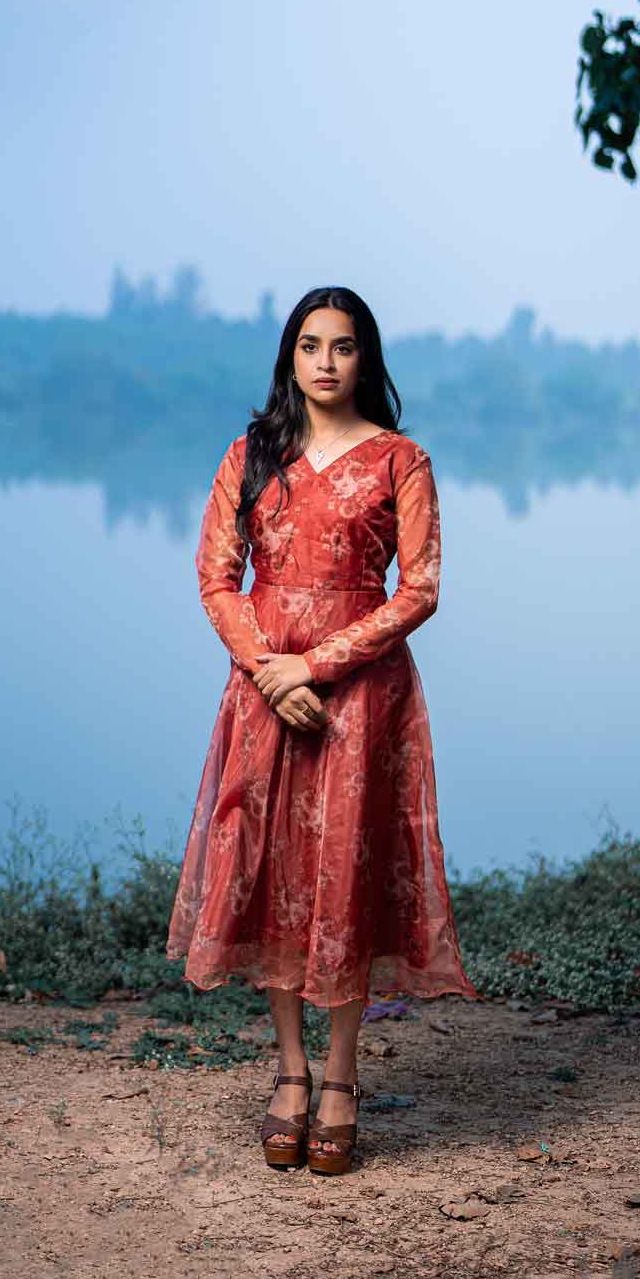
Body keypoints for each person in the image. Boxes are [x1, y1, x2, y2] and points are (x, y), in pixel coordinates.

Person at [166, 285, 479, 1173]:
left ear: (366, 359)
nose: (327, 362)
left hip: (361, 697)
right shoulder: (250, 453)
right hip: (262, 687)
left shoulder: (400, 461)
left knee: (344, 872)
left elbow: (419, 588)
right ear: (290, 357)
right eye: (311, 345)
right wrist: (271, 671)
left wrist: (319, 665)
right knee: (272, 874)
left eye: (344, 347)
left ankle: (341, 1076)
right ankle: (291, 1073)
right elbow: (214, 577)